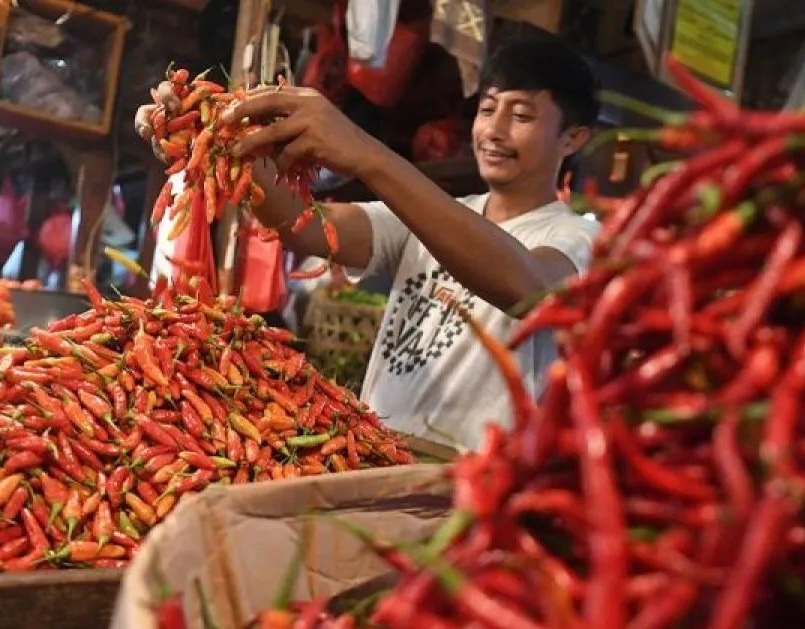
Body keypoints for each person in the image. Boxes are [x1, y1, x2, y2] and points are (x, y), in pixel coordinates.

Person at [136, 37, 600, 450]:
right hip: (379, 461)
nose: (494, 130)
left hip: (469, 489)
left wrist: (366, 153)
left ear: (574, 137)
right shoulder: (434, 213)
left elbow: (530, 291)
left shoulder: (579, 238)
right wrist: (216, 139)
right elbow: (305, 225)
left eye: (521, 115)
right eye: (487, 109)